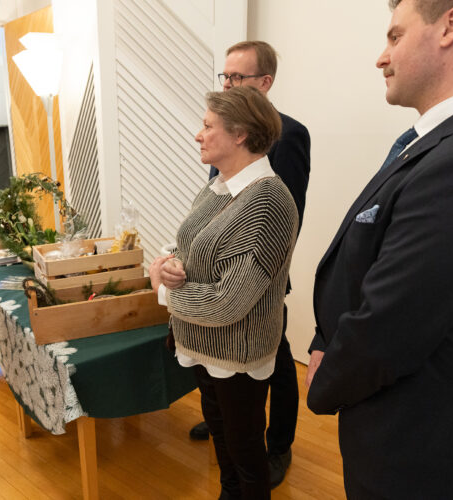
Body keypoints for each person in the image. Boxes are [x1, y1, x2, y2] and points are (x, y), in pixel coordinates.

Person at [306, 1, 453, 498]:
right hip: (396, 417)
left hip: (422, 443)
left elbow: (391, 324)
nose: (381, 57)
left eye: (395, 37)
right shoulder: (448, 142)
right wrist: (323, 338)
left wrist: (325, 377)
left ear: (451, 25)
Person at [150, 86, 298, 499]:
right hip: (203, 344)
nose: (198, 135)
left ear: (240, 135)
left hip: (237, 351)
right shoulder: (218, 187)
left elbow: (227, 302)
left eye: (207, 126)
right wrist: (169, 264)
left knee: (246, 454)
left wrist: (164, 292)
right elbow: (192, 246)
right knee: (224, 447)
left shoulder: (267, 201)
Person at [190, 40, 310, 488]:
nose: (228, 83)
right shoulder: (224, 136)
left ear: (265, 82)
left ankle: (277, 444)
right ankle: (234, 425)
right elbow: (218, 199)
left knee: (274, 361)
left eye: (237, 78)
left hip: (259, 272)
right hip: (222, 272)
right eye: (225, 77)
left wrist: (175, 290)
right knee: (234, 405)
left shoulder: (289, 134)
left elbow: (284, 214)